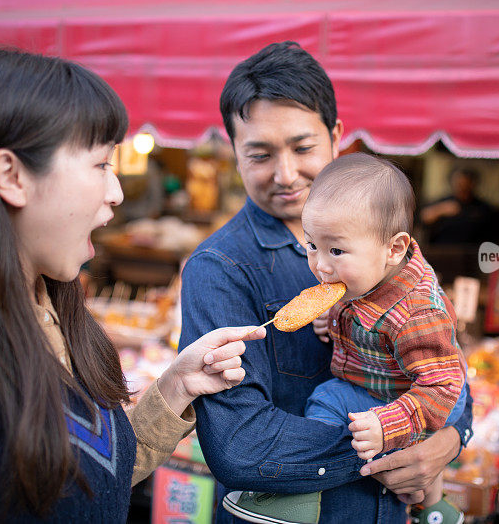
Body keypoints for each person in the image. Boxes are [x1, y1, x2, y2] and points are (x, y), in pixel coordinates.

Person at [0, 48, 264, 523]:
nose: (116, 193)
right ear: (11, 175)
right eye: (100, 165)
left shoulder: (52, 306)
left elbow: (84, 478)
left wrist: (177, 386)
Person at [179, 41, 474, 524]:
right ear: (234, 151)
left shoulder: (385, 249)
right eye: (259, 154)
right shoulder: (220, 269)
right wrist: (389, 445)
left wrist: (449, 437)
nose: (286, 174)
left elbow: (444, 363)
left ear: (336, 135)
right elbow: (239, 445)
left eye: (302, 147)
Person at [223, 153, 468, 524]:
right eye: (311, 246)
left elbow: (442, 386)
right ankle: (434, 508)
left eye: (336, 250)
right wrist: (331, 323)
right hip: (387, 379)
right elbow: (358, 313)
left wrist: (389, 424)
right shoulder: (366, 275)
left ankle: (305, 493)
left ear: (395, 249)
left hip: (415, 392)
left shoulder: (417, 314)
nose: (321, 265)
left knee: (326, 400)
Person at [420, 167, 493, 245]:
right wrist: (441, 209)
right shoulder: (445, 202)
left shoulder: (481, 207)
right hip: (443, 250)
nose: (462, 187)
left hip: (472, 251)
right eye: (459, 184)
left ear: (472, 184)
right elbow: (424, 217)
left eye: (466, 184)